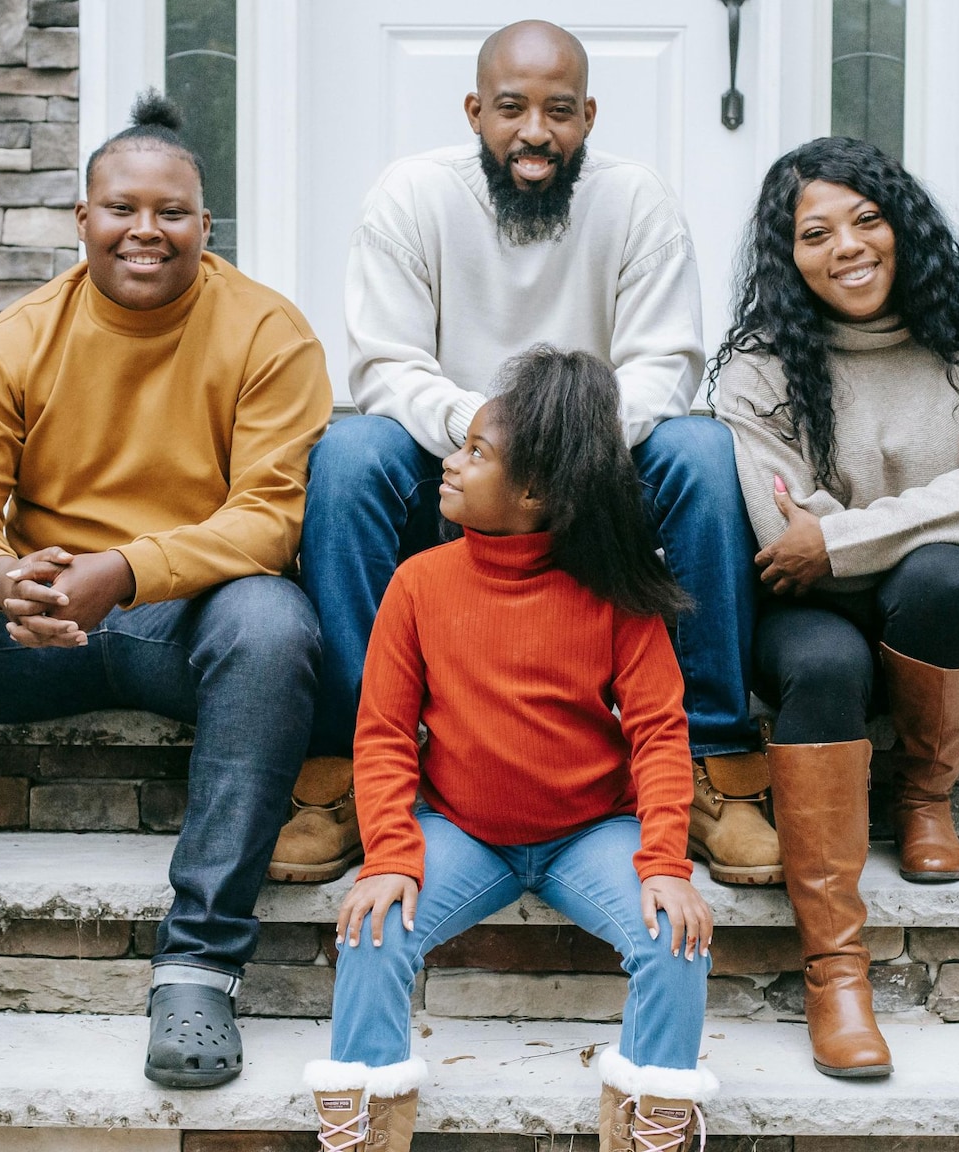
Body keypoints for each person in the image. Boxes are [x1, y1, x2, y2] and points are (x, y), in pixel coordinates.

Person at [0, 93, 331, 1087]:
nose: (145, 230)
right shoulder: (20, 338)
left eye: (171, 212)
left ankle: (198, 967)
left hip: (185, 617)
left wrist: (125, 571)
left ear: (204, 226)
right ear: (81, 219)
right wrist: (2, 576)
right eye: (121, 208)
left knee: (274, 625)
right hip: (37, 621)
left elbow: (273, 515)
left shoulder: (266, 333)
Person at [275, 19, 778, 890]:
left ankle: (713, 764)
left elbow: (667, 366)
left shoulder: (636, 201)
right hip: (455, 457)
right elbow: (387, 365)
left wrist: (561, 443)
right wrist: (492, 437)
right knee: (351, 453)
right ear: (475, 110)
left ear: (589, 114)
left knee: (699, 450)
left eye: (557, 111)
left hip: (598, 461)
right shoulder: (411, 196)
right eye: (511, 109)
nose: (534, 133)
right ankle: (352, 771)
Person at [303, 349, 716, 1152]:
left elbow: (661, 733)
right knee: (371, 926)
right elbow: (384, 734)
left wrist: (665, 863)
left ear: (534, 493)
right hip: (465, 831)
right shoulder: (419, 584)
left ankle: (654, 1118)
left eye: (474, 453)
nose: (449, 463)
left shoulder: (614, 597)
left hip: (589, 833)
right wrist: (390, 852)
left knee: (674, 935)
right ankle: (364, 1122)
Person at [713, 137, 959, 1078]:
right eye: (815, 233)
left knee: (947, 580)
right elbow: (779, 526)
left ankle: (925, 797)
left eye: (867, 219)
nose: (847, 247)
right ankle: (836, 972)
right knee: (825, 663)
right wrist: (948, 525)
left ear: (904, 227)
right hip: (806, 617)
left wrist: (842, 540)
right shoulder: (760, 368)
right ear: (790, 256)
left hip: (931, 607)